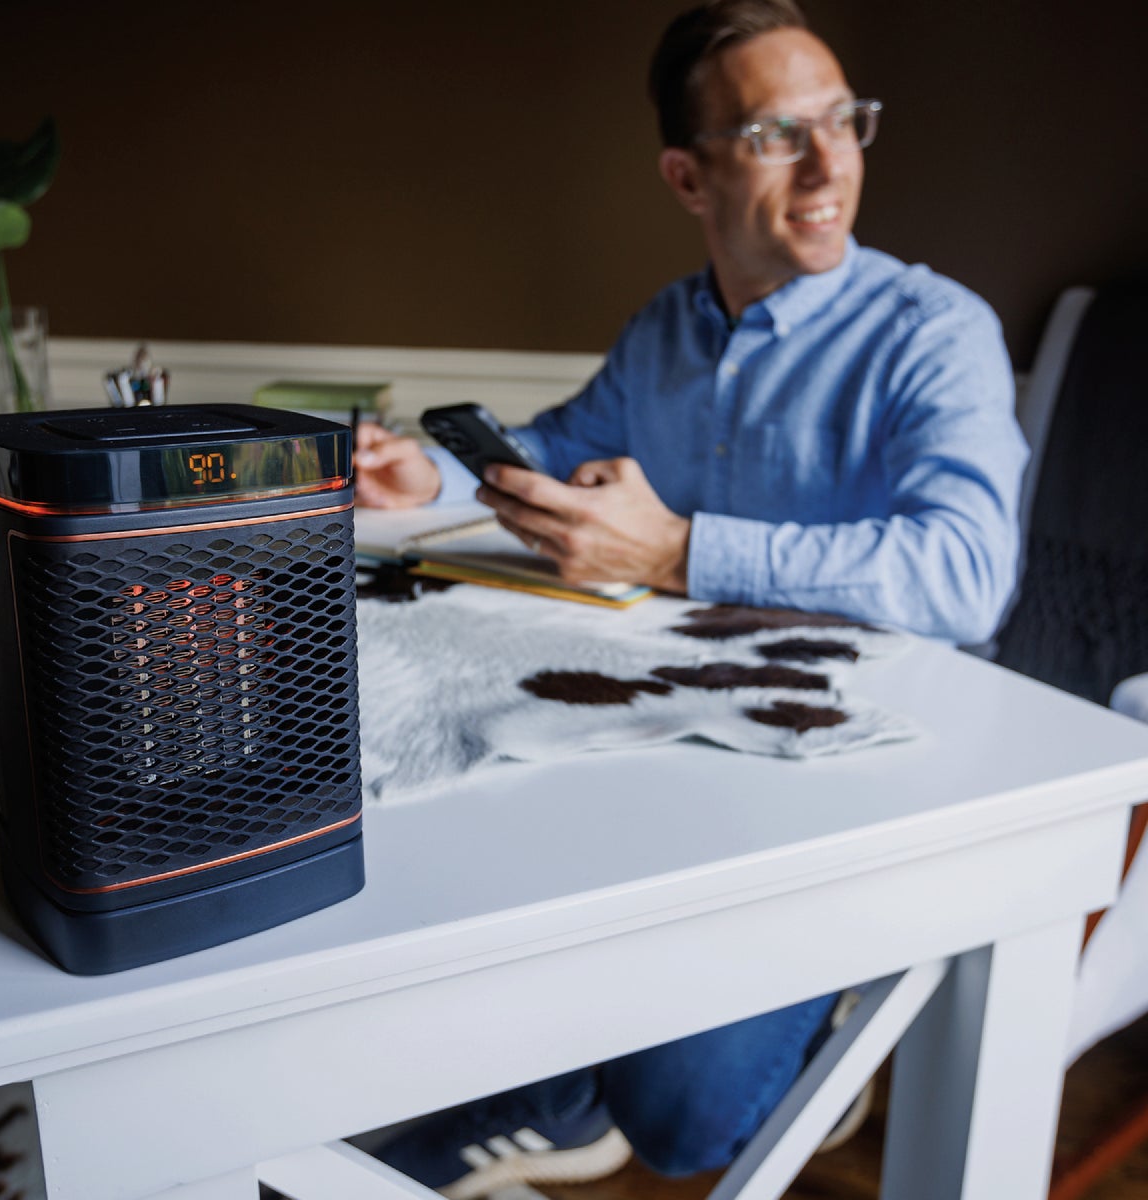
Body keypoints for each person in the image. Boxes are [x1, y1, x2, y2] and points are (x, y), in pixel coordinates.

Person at [354, 0, 1029, 1191]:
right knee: (455, 849)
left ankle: (800, 1035)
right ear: (688, 174)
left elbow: (966, 576)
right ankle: (554, 1086)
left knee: (685, 1126)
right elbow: (559, 442)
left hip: (848, 781)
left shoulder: (937, 332)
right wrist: (435, 468)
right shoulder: (666, 328)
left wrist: (672, 553)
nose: (831, 165)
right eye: (778, 133)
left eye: (845, 122)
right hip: (663, 737)